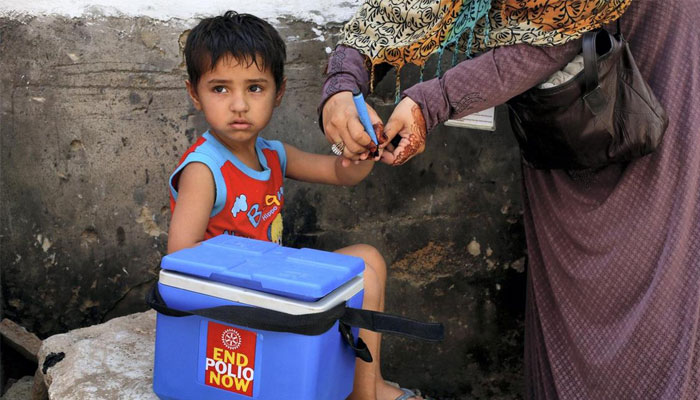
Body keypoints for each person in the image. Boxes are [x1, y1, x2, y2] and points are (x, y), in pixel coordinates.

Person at [320, 0, 700, 398]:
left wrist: (432, 102)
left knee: (664, 279)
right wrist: (342, 84)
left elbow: (556, 37)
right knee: (581, 301)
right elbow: (401, 12)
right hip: (572, 129)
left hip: (656, 79)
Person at [167, 11, 421, 400]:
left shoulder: (274, 156)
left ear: (279, 92)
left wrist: (366, 147)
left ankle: (366, 385)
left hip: (277, 292)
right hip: (234, 308)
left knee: (368, 261)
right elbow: (180, 262)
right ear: (194, 93)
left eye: (254, 88)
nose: (239, 105)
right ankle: (363, 395)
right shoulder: (205, 169)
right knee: (361, 277)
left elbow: (340, 173)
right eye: (220, 89)